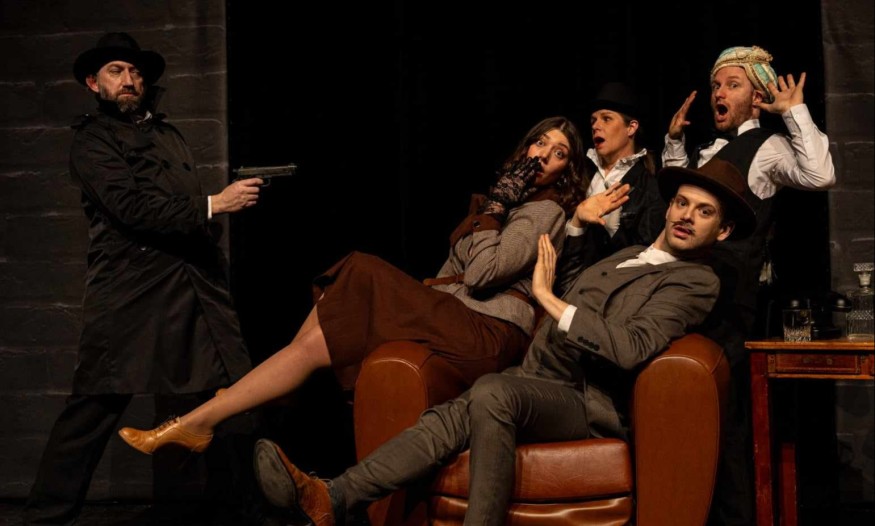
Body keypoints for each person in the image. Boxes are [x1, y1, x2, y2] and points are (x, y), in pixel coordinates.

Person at [248, 157, 756, 526]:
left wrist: (546, 298)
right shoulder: (627, 256)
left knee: (494, 392)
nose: (685, 216)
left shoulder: (695, 281)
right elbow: (583, 291)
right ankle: (332, 497)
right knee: (449, 417)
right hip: (538, 379)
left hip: (585, 399)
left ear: (723, 230)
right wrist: (578, 228)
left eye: (703, 212)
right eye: (682, 203)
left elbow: (631, 346)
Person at [117, 115, 628, 456]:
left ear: (565, 171)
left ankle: (247, 400)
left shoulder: (544, 211)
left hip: (489, 335)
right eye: (540, 142)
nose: (543, 155)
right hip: (459, 318)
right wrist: (496, 204)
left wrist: (495, 208)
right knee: (317, 339)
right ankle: (213, 415)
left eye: (559, 153)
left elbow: (479, 274)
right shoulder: (508, 201)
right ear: (525, 145)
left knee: (359, 268)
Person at [22, 32, 266, 525]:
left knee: (230, 396)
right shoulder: (92, 141)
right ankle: (45, 518)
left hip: (192, 286)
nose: (129, 79)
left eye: (135, 72)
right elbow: (131, 208)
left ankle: (245, 510)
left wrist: (206, 220)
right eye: (116, 71)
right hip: (131, 291)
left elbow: (178, 207)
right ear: (94, 84)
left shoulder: (168, 134)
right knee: (94, 405)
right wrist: (214, 203)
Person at [661, 45, 836, 525]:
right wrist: (674, 145)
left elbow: (820, 174)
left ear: (757, 97)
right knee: (681, 419)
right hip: (678, 300)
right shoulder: (705, 150)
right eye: (716, 85)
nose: (719, 93)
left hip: (727, 307)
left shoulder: (768, 147)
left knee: (727, 424)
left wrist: (793, 112)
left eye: (732, 85)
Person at [557, 81, 666, 293]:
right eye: (593, 120)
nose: (596, 126)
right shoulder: (578, 174)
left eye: (606, 119)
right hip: (564, 285)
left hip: (609, 293)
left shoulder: (650, 188)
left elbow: (644, 259)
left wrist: (608, 228)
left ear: (631, 128)